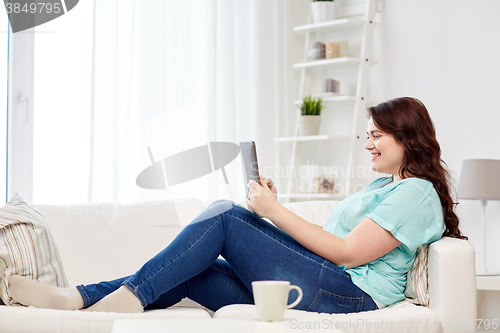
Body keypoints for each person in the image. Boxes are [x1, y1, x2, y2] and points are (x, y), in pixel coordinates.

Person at [9, 97, 466, 314]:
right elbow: (326, 245)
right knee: (197, 270)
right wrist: (274, 210)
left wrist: (270, 212)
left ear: (407, 136)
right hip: (328, 281)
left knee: (227, 215)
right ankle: (78, 297)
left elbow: (347, 253)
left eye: (376, 135)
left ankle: (121, 302)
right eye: (366, 135)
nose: (368, 144)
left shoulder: (416, 193)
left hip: (349, 296)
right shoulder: (380, 188)